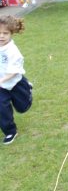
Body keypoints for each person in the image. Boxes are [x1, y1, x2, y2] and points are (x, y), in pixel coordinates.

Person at [0, 16, 33, 145]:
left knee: (22, 108)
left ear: (11, 33)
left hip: (15, 83)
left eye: (5, 33)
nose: (1, 36)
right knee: (2, 107)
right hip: (2, 87)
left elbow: (13, 71)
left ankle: (27, 88)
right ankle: (10, 131)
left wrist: (2, 79)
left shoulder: (13, 51)